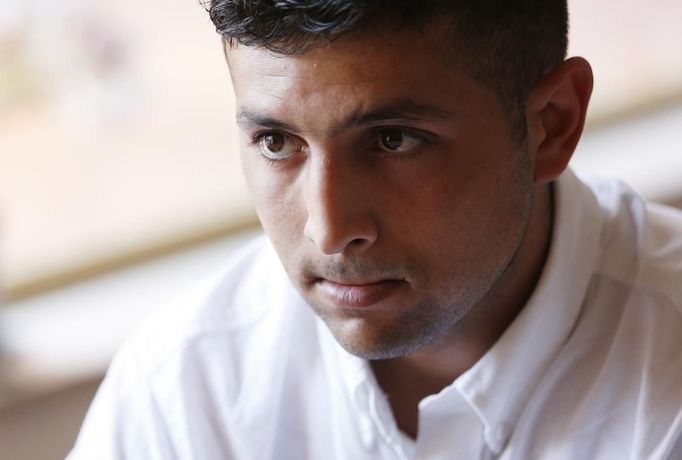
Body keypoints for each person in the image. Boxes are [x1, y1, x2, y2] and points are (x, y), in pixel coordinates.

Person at [68, 1, 682, 459]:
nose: (329, 231)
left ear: (551, 123)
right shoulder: (186, 388)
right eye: (277, 142)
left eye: (394, 140)